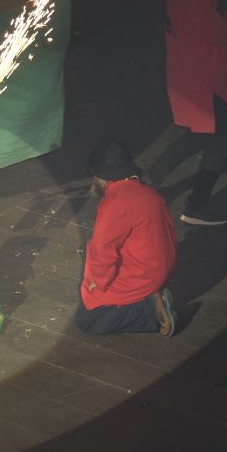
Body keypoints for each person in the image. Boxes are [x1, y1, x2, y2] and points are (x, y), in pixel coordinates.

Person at [165, 0, 227, 226]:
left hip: (188, 75)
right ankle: (196, 206)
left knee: (199, 135)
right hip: (203, 79)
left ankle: (153, 176)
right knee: (220, 141)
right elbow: (218, 31)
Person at [77, 142, 180, 337]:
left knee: (88, 320)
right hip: (160, 266)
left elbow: (103, 251)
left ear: (102, 176)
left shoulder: (115, 202)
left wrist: (98, 284)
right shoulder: (147, 191)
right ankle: (150, 300)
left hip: (144, 273)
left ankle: (151, 311)